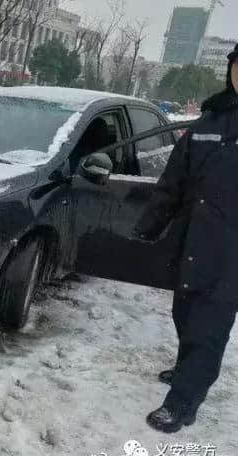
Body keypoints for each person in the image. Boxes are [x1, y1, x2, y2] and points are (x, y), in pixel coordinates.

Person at [133, 43, 238, 433]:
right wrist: (150, 224)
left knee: (209, 329)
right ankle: (184, 369)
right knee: (186, 315)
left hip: (231, 255)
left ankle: (182, 402)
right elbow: (172, 182)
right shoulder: (208, 122)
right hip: (193, 244)